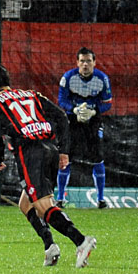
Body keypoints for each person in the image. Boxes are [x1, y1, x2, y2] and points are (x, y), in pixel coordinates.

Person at [0, 64, 96, 268]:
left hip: (30, 151)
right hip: (50, 148)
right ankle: (50, 246)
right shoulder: (31, 94)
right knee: (26, 204)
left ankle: (81, 241)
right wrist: (64, 150)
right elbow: (61, 116)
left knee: (44, 208)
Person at [56, 48, 113, 209]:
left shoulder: (102, 79)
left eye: (88, 61)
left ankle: (101, 199)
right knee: (66, 157)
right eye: (82, 61)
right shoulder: (68, 78)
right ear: (77, 63)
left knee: (98, 156)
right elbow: (61, 100)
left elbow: (108, 103)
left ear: (94, 63)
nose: (85, 64)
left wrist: (94, 111)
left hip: (93, 120)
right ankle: (60, 198)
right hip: (73, 120)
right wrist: (74, 110)